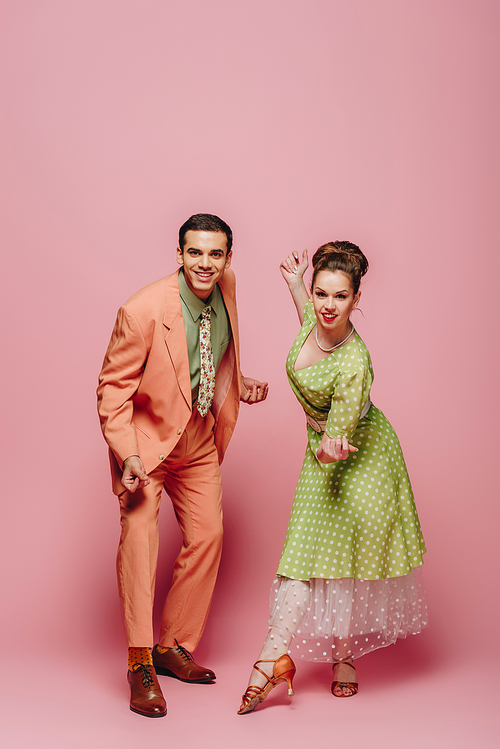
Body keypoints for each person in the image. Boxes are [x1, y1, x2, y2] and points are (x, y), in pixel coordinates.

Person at [237, 241, 427, 714]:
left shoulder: (354, 363)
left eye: (339, 297)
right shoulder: (316, 317)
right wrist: (296, 284)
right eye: (322, 294)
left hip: (358, 459)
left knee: (331, 556)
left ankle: (295, 661)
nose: (326, 306)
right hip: (321, 449)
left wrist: (328, 447)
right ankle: (276, 658)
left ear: (356, 299)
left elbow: (333, 446)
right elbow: (309, 318)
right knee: (309, 554)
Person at [97, 213, 268, 718]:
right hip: (145, 446)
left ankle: (172, 645)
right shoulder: (142, 310)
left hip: (196, 437)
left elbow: (213, 348)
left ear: (228, 259)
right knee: (140, 544)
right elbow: (111, 390)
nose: (205, 264)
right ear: (178, 254)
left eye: (215, 254)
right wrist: (128, 454)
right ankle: (140, 662)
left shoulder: (225, 284)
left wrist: (240, 385)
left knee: (209, 535)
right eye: (195, 253)